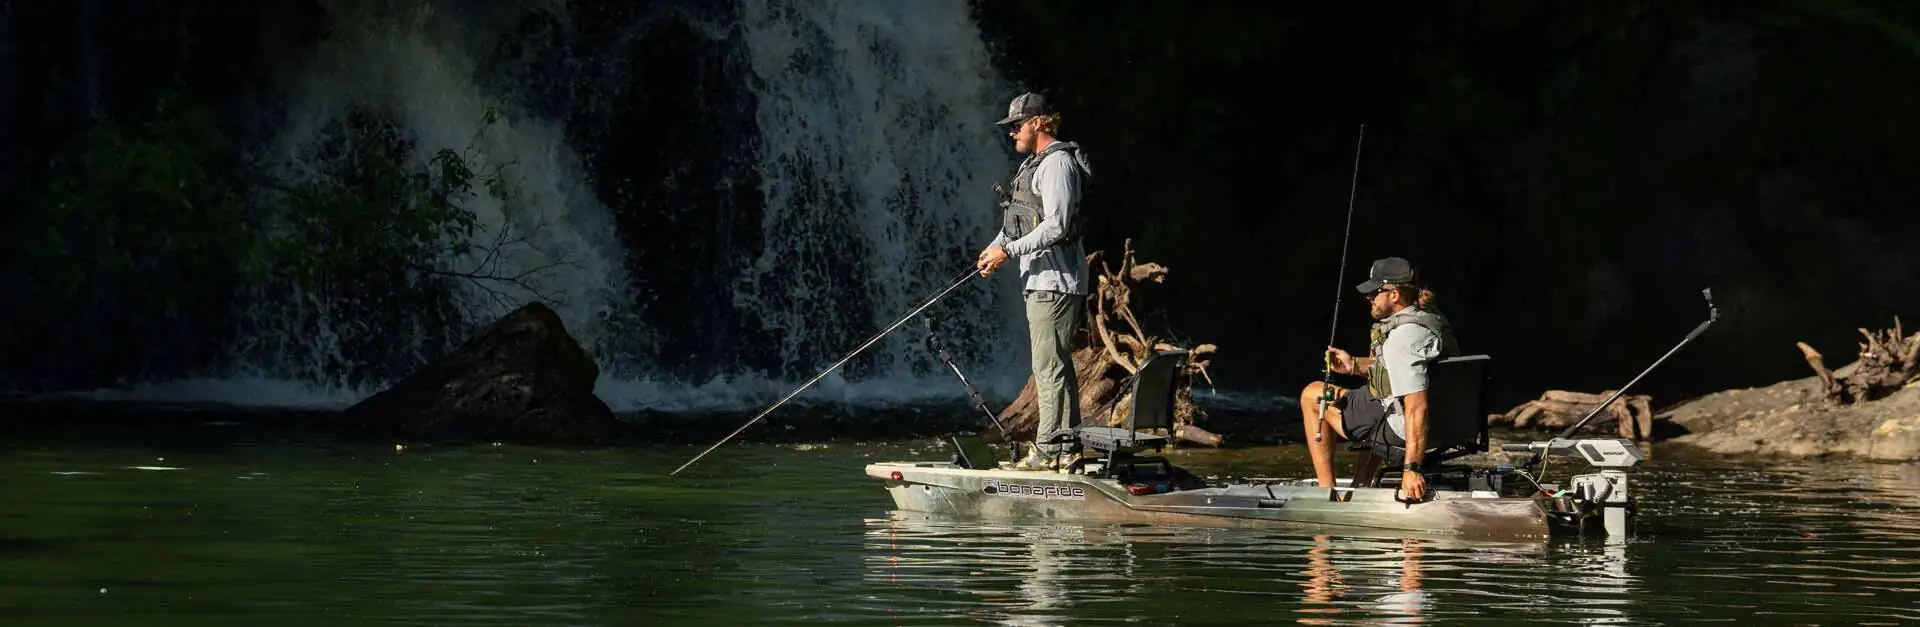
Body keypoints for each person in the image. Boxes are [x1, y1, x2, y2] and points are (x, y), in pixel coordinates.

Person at [976, 92, 1094, 471]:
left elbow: (1057, 226)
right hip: (1043, 280)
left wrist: (1007, 253)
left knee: (1049, 368)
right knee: (1054, 366)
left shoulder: (1057, 164)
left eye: (1017, 125)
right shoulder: (1035, 165)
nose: (1012, 133)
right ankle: (1067, 449)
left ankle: (1048, 452)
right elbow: (1018, 223)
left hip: (1055, 281)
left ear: (1040, 122)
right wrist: (994, 249)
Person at [1298, 257, 1458, 500]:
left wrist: (1411, 469)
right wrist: (1353, 365)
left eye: (1374, 292)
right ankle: (1360, 484)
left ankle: (1326, 493)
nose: (1369, 298)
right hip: (1448, 422)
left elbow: (1417, 406)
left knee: (1312, 394)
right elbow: (1400, 369)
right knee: (1370, 400)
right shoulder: (1432, 322)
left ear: (1394, 295)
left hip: (1404, 426)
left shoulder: (1403, 338)